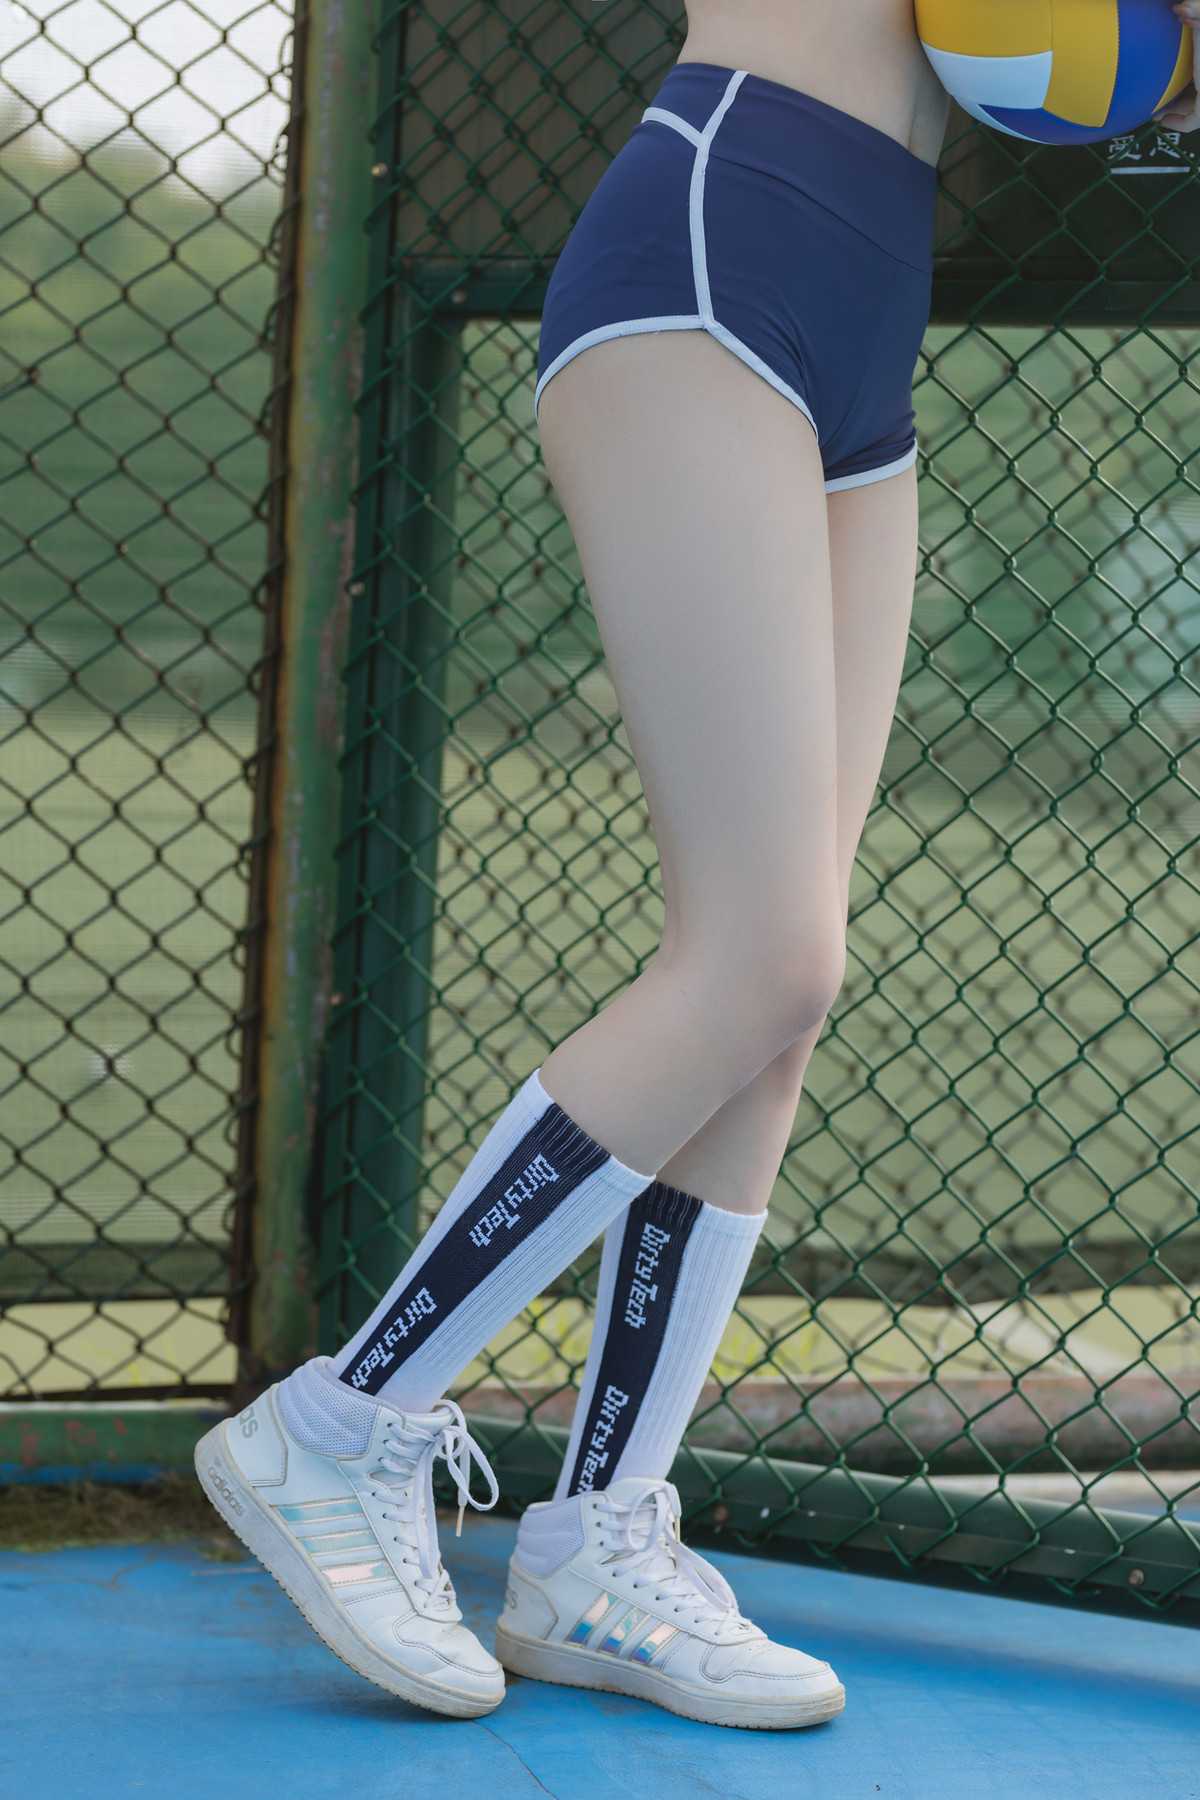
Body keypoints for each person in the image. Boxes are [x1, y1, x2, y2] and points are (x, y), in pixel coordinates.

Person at [195, 0, 955, 1731]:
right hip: (721, 248)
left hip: (867, 299)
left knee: (784, 998)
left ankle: (597, 1546)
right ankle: (341, 1423)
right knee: (762, 954)